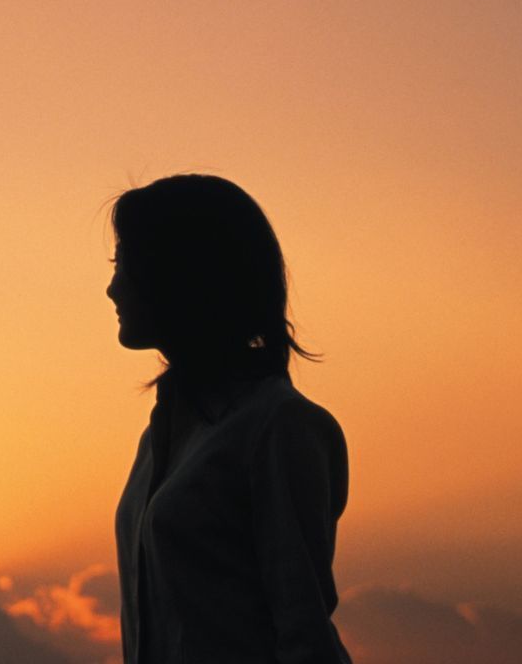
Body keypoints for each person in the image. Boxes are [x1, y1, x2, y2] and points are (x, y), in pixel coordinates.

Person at [108, 174, 350, 664]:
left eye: (124, 265)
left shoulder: (279, 427)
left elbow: (303, 630)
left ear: (178, 274)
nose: (113, 289)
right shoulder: (158, 439)